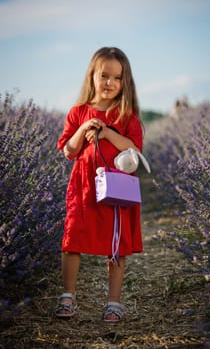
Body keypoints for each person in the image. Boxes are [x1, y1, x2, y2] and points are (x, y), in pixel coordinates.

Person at [55, 47, 143, 322]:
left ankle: (113, 302)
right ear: (92, 75)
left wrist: (106, 132)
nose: (110, 83)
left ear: (124, 82)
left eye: (117, 78)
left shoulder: (125, 115)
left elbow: (134, 149)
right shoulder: (78, 112)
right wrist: (83, 129)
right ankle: (68, 296)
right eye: (104, 75)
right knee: (72, 240)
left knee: (114, 244)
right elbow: (69, 150)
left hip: (115, 186)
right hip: (83, 186)